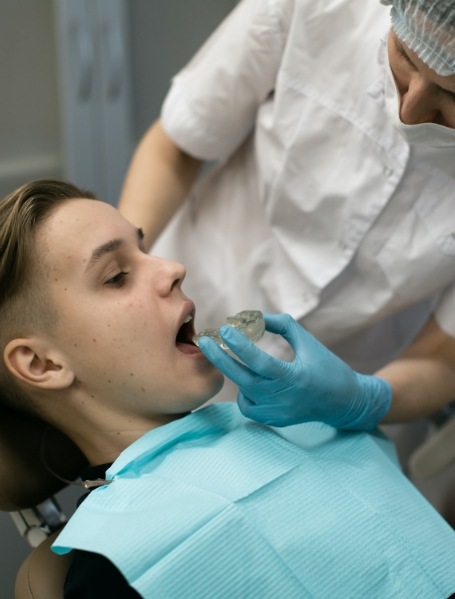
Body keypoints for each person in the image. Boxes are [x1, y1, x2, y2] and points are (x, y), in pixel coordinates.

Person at [1, 179, 455, 598]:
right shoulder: (118, 563)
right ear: (42, 364)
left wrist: (360, 402)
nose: (174, 267)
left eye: (146, 249)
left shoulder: (298, 422)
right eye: (117, 275)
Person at [118, 0, 455, 428]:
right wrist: (128, 273)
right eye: (404, 57)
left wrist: (361, 400)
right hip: (197, 292)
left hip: (336, 398)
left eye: (450, 94)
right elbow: (179, 146)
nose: (410, 111)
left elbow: (445, 355)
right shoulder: (313, 8)